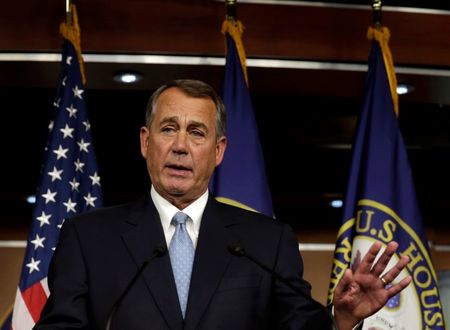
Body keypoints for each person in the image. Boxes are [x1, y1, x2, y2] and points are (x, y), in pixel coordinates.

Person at [34, 79, 411, 330]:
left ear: (218, 151)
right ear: (146, 143)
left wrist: (341, 318)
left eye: (196, 133)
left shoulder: (267, 242)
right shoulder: (88, 238)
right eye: (169, 128)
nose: (180, 145)